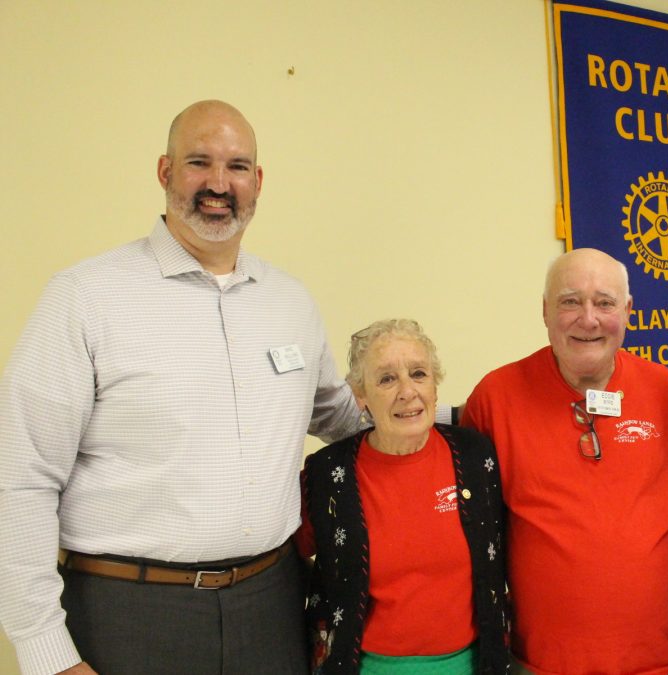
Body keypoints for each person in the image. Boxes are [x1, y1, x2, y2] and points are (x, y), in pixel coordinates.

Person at [0, 100, 367, 675]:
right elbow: (18, 477)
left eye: (237, 166)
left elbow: (343, 417)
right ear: (166, 172)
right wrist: (45, 650)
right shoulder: (85, 297)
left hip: (271, 606)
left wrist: (468, 418)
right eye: (200, 162)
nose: (219, 184)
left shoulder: (290, 301)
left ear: (258, 181)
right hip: (127, 611)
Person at [461, 248, 668, 675]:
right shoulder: (495, 399)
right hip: (539, 663)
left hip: (660, 661)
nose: (588, 319)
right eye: (570, 301)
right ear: (545, 311)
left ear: (628, 312)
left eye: (604, 303)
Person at [295, 319, 509, 674]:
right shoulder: (328, 474)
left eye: (419, 373)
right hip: (364, 667)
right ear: (360, 396)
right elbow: (286, 561)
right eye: (386, 379)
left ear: (435, 387)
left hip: (472, 665)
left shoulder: (476, 457)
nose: (407, 391)